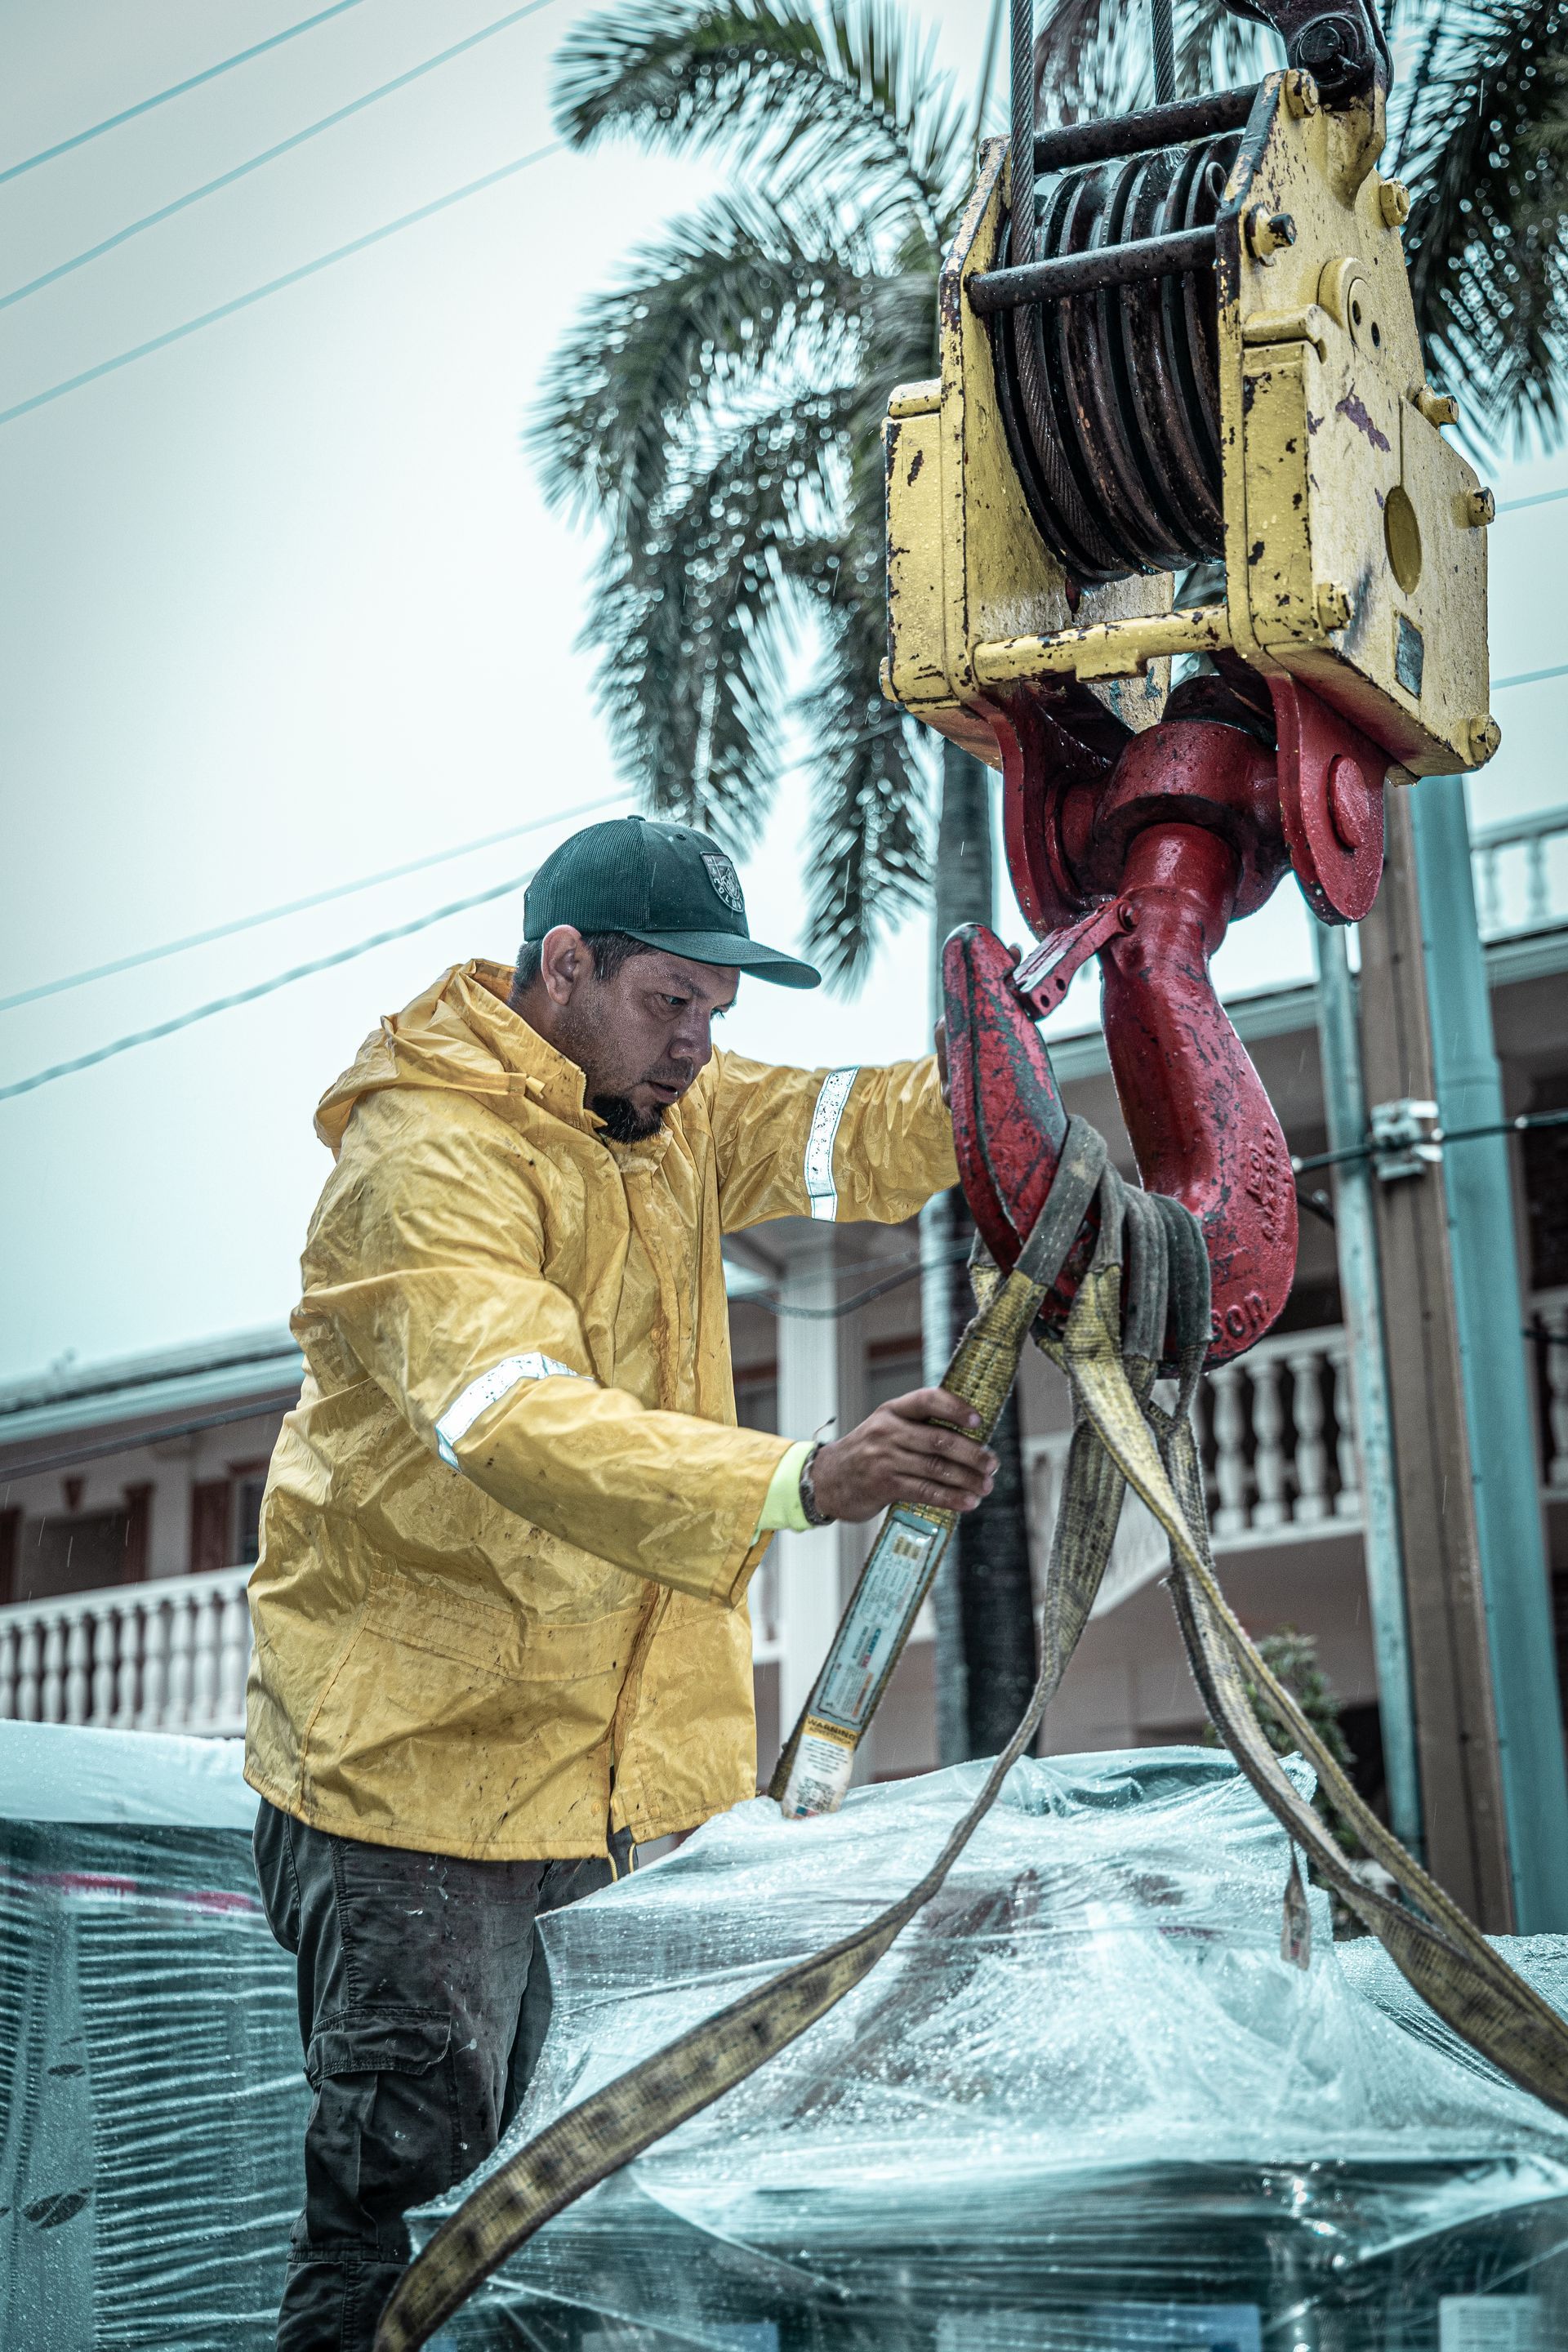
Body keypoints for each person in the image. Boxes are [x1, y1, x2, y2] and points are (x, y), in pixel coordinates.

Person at [245, 813, 996, 2350]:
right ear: (564, 966)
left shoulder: (657, 1122)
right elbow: (510, 1423)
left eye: (720, 1016)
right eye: (673, 1004)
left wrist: (1036, 1047)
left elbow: (852, 1129)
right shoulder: (429, 1152)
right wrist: (806, 1479)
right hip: (415, 1792)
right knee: (415, 2216)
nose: (701, 1049)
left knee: (594, 2217)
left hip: (621, 1789)